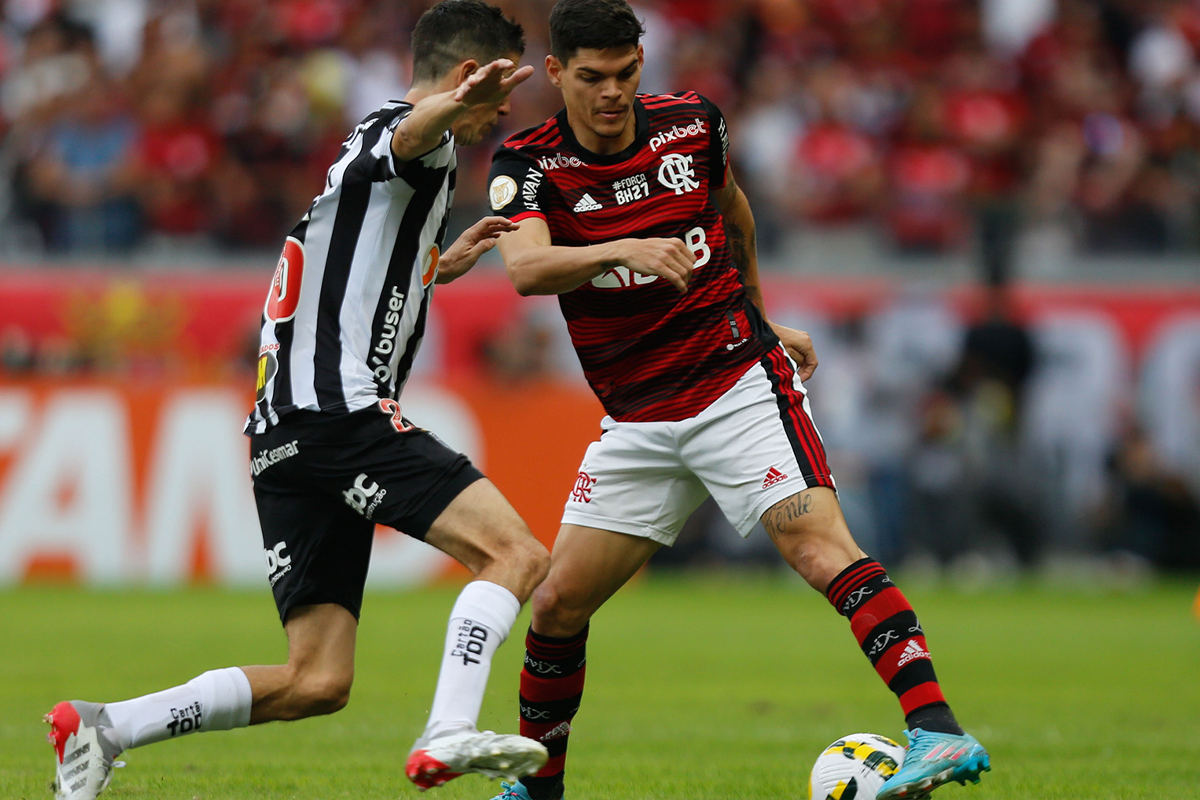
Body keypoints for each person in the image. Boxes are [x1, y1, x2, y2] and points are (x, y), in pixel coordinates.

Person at [481, 2, 991, 799]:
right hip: (639, 419)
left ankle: (936, 731)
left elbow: (736, 213)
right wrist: (623, 246)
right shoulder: (528, 163)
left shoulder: (692, 126)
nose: (612, 92)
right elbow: (525, 270)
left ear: (642, 62)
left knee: (819, 548)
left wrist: (757, 316)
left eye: (626, 72)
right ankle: (539, 788)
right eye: (591, 77)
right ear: (556, 74)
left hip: (734, 384)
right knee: (555, 604)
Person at [45, 4, 551, 799]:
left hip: (282, 437)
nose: (502, 110)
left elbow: (349, 256)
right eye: (495, 92)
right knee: (515, 554)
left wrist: (430, 264)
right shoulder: (408, 131)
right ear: (465, 77)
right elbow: (414, 133)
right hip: (334, 414)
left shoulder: (378, 166)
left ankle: (108, 726)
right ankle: (449, 726)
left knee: (316, 678)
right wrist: (451, 108)